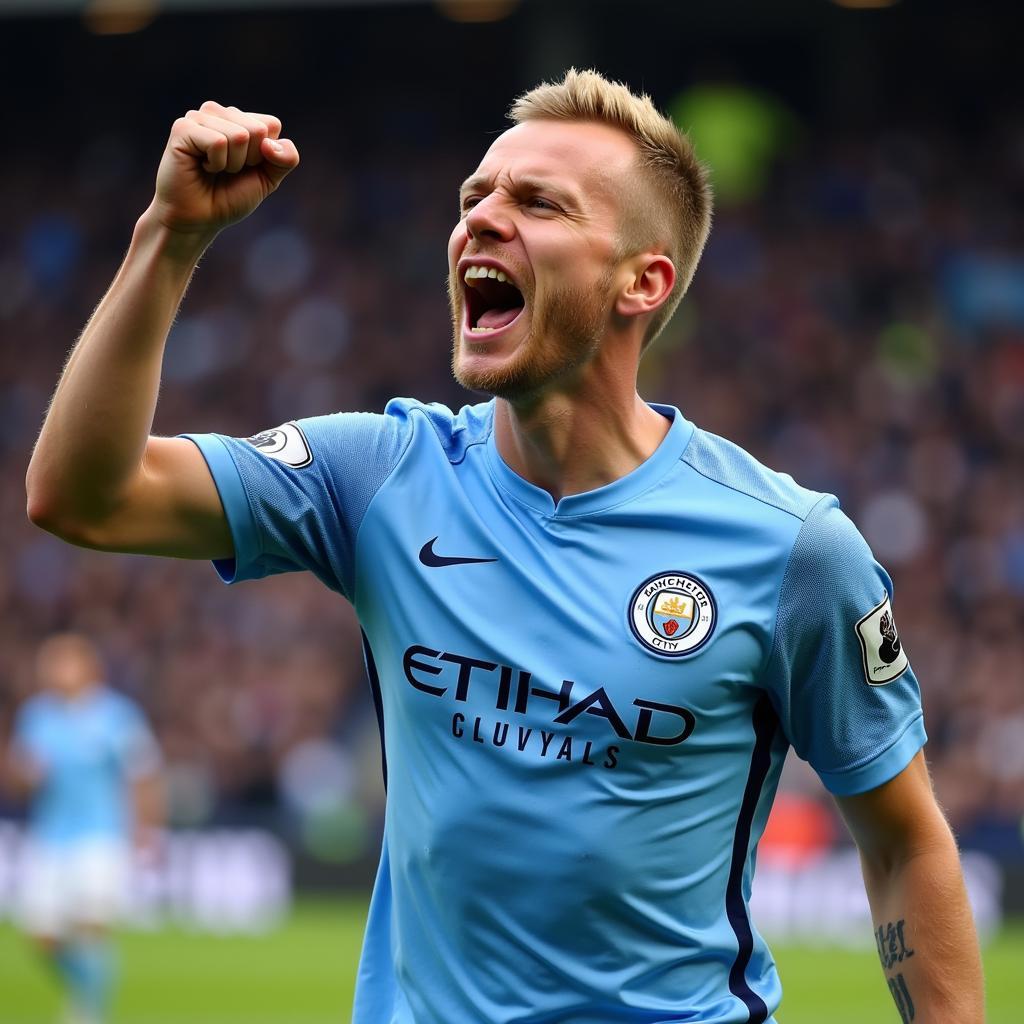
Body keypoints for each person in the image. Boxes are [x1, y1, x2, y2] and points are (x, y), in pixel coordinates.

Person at [25, 70, 984, 1022]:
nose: (481, 219)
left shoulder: (791, 549)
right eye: (474, 197)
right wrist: (170, 236)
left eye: (536, 203)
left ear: (641, 281)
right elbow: (84, 497)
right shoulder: (383, 475)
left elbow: (904, 844)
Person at [6, 633, 162, 1024]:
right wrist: (26, 775)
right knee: (42, 936)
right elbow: (18, 781)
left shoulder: (117, 715)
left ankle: (90, 1012)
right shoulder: (36, 716)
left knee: (92, 927)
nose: (53, 671)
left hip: (101, 835)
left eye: (62, 662)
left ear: (88, 667)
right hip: (50, 835)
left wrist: (147, 828)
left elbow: (142, 775)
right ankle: (86, 989)